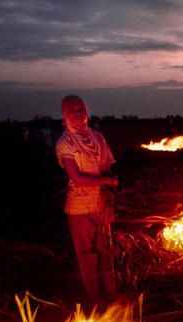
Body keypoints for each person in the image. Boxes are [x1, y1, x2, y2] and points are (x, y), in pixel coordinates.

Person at [55, 95, 119, 304]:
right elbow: (78, 179)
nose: (78, 112)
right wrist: (107, 181)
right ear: (65, 115)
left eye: (81, 108)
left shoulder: (98, 138)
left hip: (101, 205)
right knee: (87, 256)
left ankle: (112, 296)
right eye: (72, 110)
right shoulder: (64, 143)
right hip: (79, 208)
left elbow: (108, 167)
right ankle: (95, 299)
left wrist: (109, 203)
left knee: (106, 252)